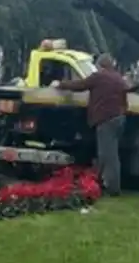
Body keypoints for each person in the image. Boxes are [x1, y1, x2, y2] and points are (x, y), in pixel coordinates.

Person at [53, 53, 134, 196]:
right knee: (109, 154)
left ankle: (113, 189)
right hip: (118, 119)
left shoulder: (99, 77)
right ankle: (103, 183)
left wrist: (60, 84)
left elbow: (80, 85)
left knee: (108, 155)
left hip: (105, 119)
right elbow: (124, 99)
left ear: (100, 66)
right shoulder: (118, 78)